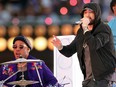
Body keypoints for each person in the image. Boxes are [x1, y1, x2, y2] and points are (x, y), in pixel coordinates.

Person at [52, 2, 116, 87]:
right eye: (85, 12)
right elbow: (69, 51)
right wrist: (60, 46)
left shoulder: (104, 28)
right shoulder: (81, 32)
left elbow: (94, 45)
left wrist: (85, 29)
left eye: (90, 12)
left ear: (96, 14)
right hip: (88, 80)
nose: (87, 15)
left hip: (103, 79)